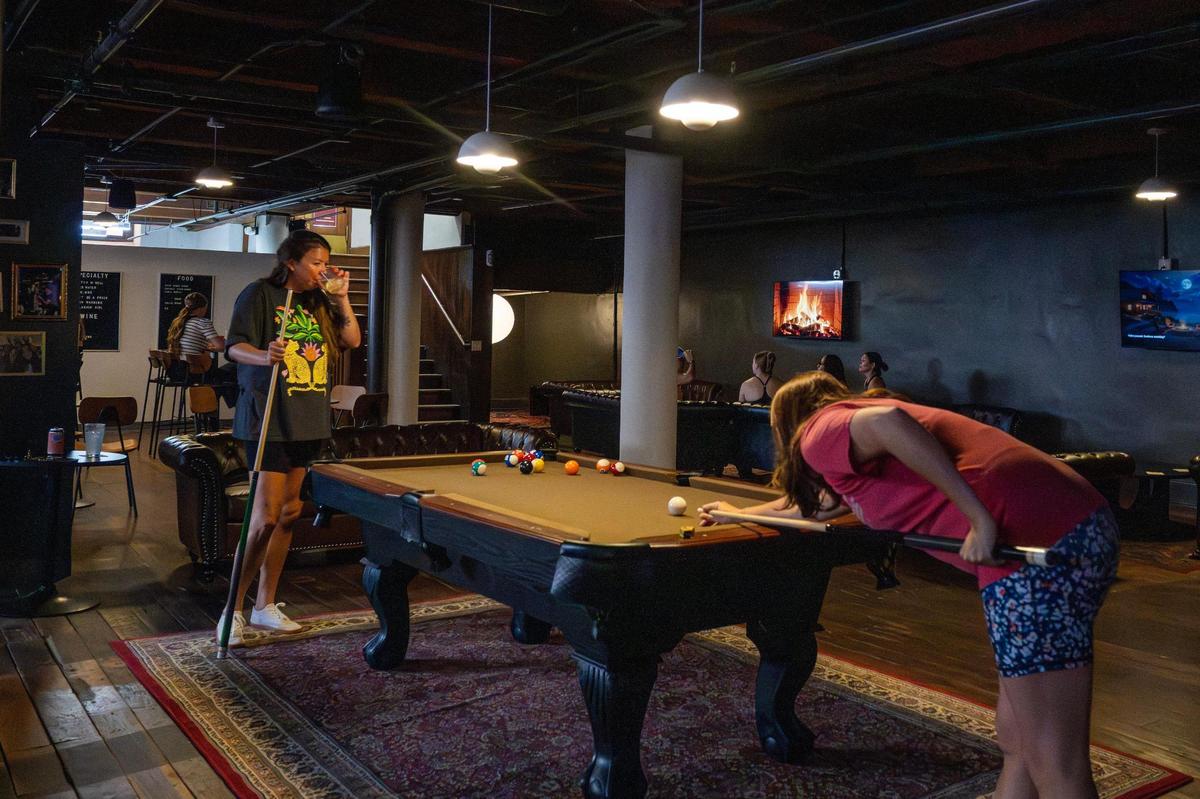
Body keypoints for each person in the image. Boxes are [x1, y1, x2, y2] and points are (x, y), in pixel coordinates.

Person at [698, 371, 1116, 799]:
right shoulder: (847, 453)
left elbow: (889, 422)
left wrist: (978, 517)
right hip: (1064, 531)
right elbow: (814, 510)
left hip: (1042, 542)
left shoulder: (820, 429)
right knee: (1018, 739)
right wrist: (739, 514)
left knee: (1053, 757)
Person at [219, 230, 360, 644]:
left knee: (288, 513)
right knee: (264, 517)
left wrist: (341, 298)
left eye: (326, 263)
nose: (323, 270)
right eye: (316, 262)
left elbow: (352, 340)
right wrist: (265, 356)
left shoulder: (320, 302)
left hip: (308, 418)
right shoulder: (260, 294)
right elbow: (233, 347)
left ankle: (265, 606)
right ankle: (233, 610)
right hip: (269, 416)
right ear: (291, 263)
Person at [165, 292, 225, 358]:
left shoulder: (176, 322)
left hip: (177, 363)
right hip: (193, 364)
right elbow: (221, 347)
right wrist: (209, 348)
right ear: (201, 308)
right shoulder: (203, 322)